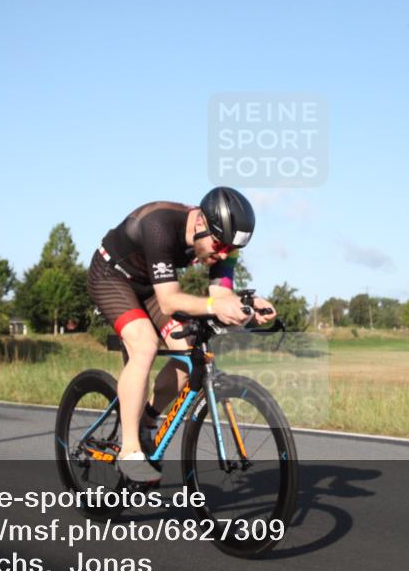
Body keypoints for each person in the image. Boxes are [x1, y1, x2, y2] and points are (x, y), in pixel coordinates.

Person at [87, 187, 277, 482]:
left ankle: (147, 423)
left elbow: (220, 294)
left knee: (190, 349)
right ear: (201, 223)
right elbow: (169, 301)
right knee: (145, 345)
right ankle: (129, 449)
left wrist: (247, 309)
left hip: (150, 286)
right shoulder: (160, 225)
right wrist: (216, 305)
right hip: (111, 277)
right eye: (219, 245)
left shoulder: (221, 242)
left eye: (230, 249)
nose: (223, 254)